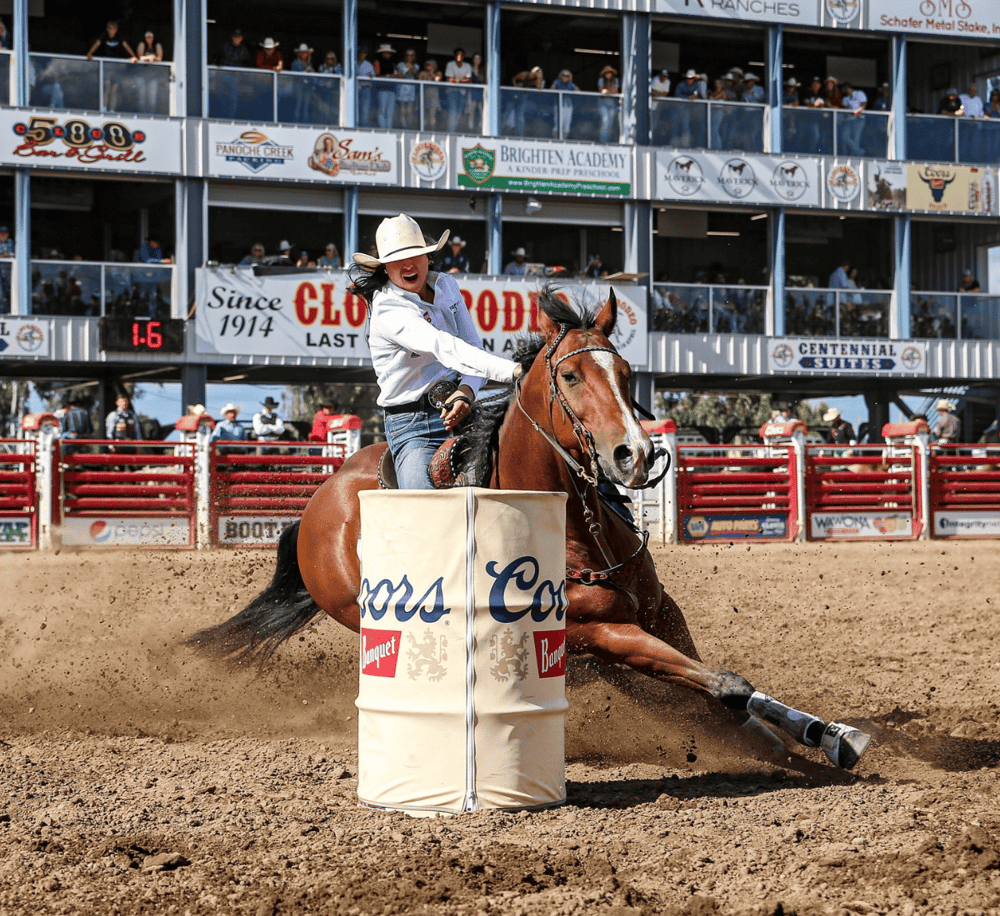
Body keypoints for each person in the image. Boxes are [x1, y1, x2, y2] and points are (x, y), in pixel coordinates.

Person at [350, 214, 522, 489]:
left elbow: (472, 347)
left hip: (462, 409)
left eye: (415, 255)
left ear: (427, 257)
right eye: (396, 260)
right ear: (384, 268)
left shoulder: (446, 285)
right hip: (413, 427)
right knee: (425, 509)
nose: (407, 265)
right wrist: (515, 371)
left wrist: (466, 391)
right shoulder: (388, 309)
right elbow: (447, 348)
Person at [86, 21, 136, 111]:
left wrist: (133, 55)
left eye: (114, 29)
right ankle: (104, 109)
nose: (112, 30)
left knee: (114, 90)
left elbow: (126, 46)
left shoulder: (119, 36)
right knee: (107, 88)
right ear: (107, 29)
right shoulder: (104, 36)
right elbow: (97, 44)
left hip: (117, 67)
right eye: (110, 28)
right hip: (106, 66)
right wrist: (90, 53)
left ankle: (112, 110)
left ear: (116, 30)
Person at [135, 30, 165, 112]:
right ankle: (142, 113)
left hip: (153, 75)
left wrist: (153, 59)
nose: (149, 39)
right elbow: (140, 57)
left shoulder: (157, 45)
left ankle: (151, 114)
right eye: (147, 37)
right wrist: (150, 58)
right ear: (144, 38)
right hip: (142, 74)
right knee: (142, 96)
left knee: (152, 97)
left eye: (151, 37)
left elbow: (159, 58)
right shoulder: (142, 45)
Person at [444, 48, 472, 134]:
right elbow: (449, 78)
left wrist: (456, 81)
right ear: (455, 56)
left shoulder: (467, 65)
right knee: (453, 110)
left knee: (459, 112)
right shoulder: (450, 64)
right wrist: (461, 81)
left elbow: (468, 79)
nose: (460, 56)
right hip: (451, 91)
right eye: (458, 54)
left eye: (461, 55)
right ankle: (451, 131)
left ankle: (455, 129)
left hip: (463, 92)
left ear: (463, 57)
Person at [105, 394, 140, 458]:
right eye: (122, 401)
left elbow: (137, 431)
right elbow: (109, 432)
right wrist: (111, 446)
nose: (124, 403)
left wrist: (138, 445)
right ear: (117, 403)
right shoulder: (113, 415)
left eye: (126, 401)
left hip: (131, 446)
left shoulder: (132, 415)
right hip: (119, 446)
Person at [838, 80, 867, 156]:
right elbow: (844, 108)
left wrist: (858, 110)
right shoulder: (845, 98)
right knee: (844, 136)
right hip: (849, 119)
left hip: (859, 119)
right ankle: (858, 151)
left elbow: (863, 104)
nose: (845, 91)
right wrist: (849, 109)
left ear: (849, 88)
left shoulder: (859, 93)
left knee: (856, 138)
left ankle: (855, 156)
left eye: (846, 89)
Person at [373, 43, 398, 130]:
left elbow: (398, 73)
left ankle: (389, 129)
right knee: (382, 110)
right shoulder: (377, 62)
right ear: (382, 53)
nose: (388, 54)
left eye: (389, 53)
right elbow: (377, 74)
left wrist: (398, 75)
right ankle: (383, 129)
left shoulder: (393, 63)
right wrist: (389, 76)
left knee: (390, 111)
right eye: (386, 52)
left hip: (392, 89)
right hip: (382, 89)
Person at [395, 49, 419, 129]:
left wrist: (412, 71)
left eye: (411, 55)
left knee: (409, 111)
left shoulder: (416, 66)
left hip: (411, 89)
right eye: (408, 55)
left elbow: (416, 75)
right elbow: (400, 74)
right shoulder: (400, 64)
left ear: (414, 57)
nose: (409, 57)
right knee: (402, 110)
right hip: (402, 89)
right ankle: (403, 126)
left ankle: (409, 127)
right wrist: (407, 73)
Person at [597, 64, 620, 143]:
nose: (608, 74)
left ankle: (608, 140)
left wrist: (607, 91)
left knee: (611, 122)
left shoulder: (615, 80)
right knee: (605, 121)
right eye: (606, 73)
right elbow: (601, 91)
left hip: (613, 104)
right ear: (604, 74)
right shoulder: (601, 80)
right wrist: (609, 91)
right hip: (603, 103)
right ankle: (602, 140)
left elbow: (615, 91)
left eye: (610, 73)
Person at [552, 69, 578, 138]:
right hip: (558, 105)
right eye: (563, 75)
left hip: (568, 106)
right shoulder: (557, 82)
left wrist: (571, 92)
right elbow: (552, 89)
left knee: (567, 124)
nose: (565, 77)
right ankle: (556, 139)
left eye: (567, 76)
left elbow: (578, 90)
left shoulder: (571, 84)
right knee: (558, 123)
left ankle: (564, 140)